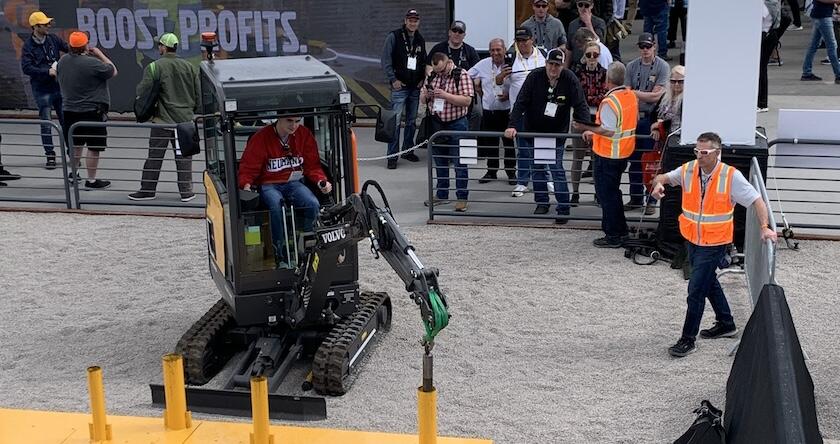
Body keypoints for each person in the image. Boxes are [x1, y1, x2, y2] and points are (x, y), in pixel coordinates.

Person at [649, 132, 778, 357]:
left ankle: (688, 339)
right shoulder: (688, 169)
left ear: (717, 153)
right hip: (692, 239)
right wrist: (657, 185)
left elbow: (757, 200)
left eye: (704, 152)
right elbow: (662, 177)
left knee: (696, 290)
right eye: (696, 151)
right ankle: (726, 323)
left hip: (715, 242)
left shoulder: (731, 176)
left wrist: (765, 227)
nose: (699, 156)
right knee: (707, 282)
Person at [505, 48, 589, 223]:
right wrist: (512, 125)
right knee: (537, 169)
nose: (553, 68)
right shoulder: (534, 77)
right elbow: (520, 102)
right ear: (545, 63)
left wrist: (586, 127)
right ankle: (542, 202)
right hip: (533, 131)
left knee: (556, 169)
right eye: (551, 64)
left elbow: (581, 104)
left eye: (557, 65)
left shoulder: (569, 79)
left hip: (556, 134)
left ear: (562, 65)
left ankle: (563, 207)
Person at [237, 117, 332, 269]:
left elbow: (312, 165)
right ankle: (279, 254)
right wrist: (246, 185)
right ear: (278, 119)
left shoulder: (304, 134)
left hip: (293, 182)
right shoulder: (261, 138)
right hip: (268, 183)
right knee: (276, 205)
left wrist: (322, 181)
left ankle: (307, 247)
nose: (294, 125)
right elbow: (249, 166)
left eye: (297, 120)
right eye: (289, 120)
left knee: (312, 203)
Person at [128, 33, 201, 202]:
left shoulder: (154, 67)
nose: (158, 48)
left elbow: (142, 91)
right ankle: (186, 192)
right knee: (184, 157)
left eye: (159, 45)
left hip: (162, 121)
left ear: (163, 47)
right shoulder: (189, 66)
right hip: (185, 121)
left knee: (154, 156)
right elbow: (198, 94)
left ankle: (147, 190)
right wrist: (190, 110)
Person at [575, 61, 638, 246]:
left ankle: (613, 234)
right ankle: (620, 231)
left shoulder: (610, 101)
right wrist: (593, 131)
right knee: (613, 194)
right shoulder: (630, 96)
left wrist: (584, 127)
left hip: (608, 154)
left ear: (607, 79)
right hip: (623, 152)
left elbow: (608, 130)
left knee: (607, 196)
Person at [56, 31, 117, 190]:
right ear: (85, 45)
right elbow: (112, 71)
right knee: (94, 147)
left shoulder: (62, 61)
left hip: (70, 110)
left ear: (70, 46)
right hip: (92, 111)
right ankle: (91, 180)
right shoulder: (92, 63)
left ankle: (73, 174)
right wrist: (100, 54)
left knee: (75, 145)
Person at [422, 52, 474, 212]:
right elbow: (422, 99)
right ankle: (442, 194)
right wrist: (427, 95)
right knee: (440, 161)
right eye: (437, 72)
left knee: (460, 162)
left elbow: (467, 100)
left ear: (449, 63)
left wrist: (445, 95)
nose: (440, 74)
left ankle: (462, 198)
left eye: (442, 71)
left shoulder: (462, 74)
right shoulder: (432, 75)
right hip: (437, 124)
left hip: (458, 124)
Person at [501, 27, 547, 197]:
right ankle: (522, 182)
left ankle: (545, 179)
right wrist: (499, 78)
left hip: (541, 112)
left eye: (525, 40)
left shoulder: (543, 54)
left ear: (532, 39)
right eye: (518, 41)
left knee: (543, 145)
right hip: (519, 112)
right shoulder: (511, 57)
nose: (522, 44)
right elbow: (503, 84)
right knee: (523, 148)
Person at [624, 32, 668, 213]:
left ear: (654, 47)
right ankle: (635, 198)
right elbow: (627, 92)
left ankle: (651, 200)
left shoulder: (662, 67)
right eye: (642, 47)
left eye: (648, 46)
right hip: (634, 118)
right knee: (633, 161)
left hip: (651, 120)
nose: (645, 50)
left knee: (651, 161)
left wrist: (634, 92)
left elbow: (656, 96)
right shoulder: (632, 66)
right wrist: (639, 94)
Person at [20, 11, 68, 169]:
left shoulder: (53, 39)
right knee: (46, 124)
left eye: (48, 23)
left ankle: (71, 153)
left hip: (58, 87)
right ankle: (50, 155)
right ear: (35, 27)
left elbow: (67, 48)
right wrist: (46, 71)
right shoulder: (28, 46)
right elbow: (26, 68)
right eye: (45, 24)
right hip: (42, 90)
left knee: (66, 122)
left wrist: (79, 48)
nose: (48, 26)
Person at [381, 9, 427, 169]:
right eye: (410, 20)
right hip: (400, 87)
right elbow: (386, 60)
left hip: (415, 87)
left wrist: (422, 79)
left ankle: (408, 150)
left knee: (411, 122)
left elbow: (423, 61)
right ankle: (392, 156)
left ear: (418, 22)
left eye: (415, 20)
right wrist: (393, 79)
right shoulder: (394, 36)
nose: (413, 23)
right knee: (395, 122)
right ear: (405, 20)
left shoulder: (420, 39)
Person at [468, 38, 516, 184]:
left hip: (506, 110)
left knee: (508, 144)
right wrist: (476, 86)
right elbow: (467, 75)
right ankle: (491, 171)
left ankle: (511, 172)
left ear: (504, 50)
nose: (496, 53)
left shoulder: (512, 65)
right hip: (489, 111)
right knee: (491, 143)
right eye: (493, 50)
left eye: (498, 50)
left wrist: (509, 95)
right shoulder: (483, 64)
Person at [570, 41, 608, 204]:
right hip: (580, 118)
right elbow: (577, 96)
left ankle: (598, 193)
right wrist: (590, 100)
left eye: (595, 55)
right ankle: (575, 192)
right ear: (584, 56)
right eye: (589, 55)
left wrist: (588, 99)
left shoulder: (606, 73)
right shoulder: (576, 73)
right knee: (578, 157)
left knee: (596, 159)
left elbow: (605, 96)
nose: (592, 58)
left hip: (598, 119)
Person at [429, 21, 482, 131]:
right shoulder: (438, 48)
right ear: (449, 32)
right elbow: (428, 67)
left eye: (460, 32)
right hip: (441, 89)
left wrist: (475, 85)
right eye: (454, 31)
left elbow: (478, 72)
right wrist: (430, 82)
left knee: (477, 112)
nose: (457, 34)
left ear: (464, 35)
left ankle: (471, 139)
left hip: (464, 89)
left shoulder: (470, 50)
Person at [800, 0, 840, 84]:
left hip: (820, 14)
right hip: (823, 16)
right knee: (832, 46)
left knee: (813, 45)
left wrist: (834, 5)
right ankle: (838, 74)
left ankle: (806, 72)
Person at [759, 0, 782, 113]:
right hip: (770, 34)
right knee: (762, 69)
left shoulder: (764, 5)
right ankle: (761, 102)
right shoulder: (774, 3)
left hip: (764, 35)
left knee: (761, 69)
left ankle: (762, 103)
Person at [651, 65, 685, 141]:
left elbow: (679, 122)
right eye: (673, 81)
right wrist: (655, 129)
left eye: (680, 81)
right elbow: (654, 114)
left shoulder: (686, 100)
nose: (676, 84)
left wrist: (658, 125)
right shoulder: (664, 96)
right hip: (663, 135)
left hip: (677, 137)